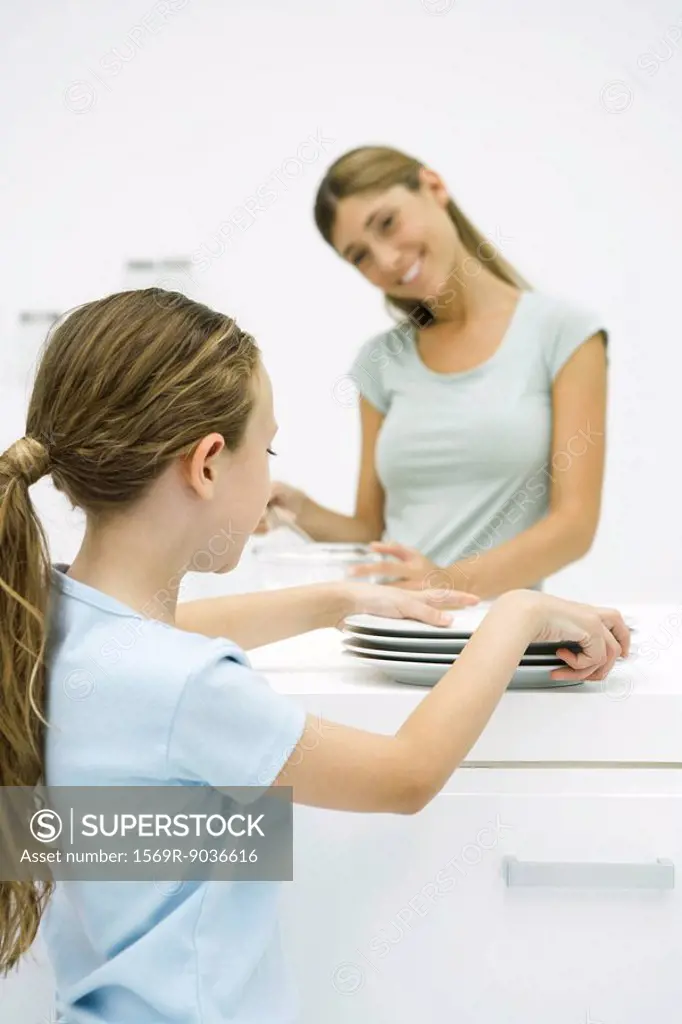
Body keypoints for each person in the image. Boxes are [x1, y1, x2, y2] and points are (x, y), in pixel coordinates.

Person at [0, 288, 628, 1024]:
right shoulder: (188, 688)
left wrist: (336, 600)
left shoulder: (45, 616)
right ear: (207, 464)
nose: (269, 475)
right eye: (266, 449)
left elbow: (170, 635)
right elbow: (408, 775)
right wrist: (518, 611)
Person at [258, 144, 609, 600]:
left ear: (434, 187)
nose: (385, 260)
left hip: (499, 637)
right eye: (360, 255)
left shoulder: (564, 335)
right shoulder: (380, 362)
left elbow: (573, 527)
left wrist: (444, 583)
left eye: (387, 223)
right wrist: (299, 510)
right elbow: (371, 530)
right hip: (392, 632)